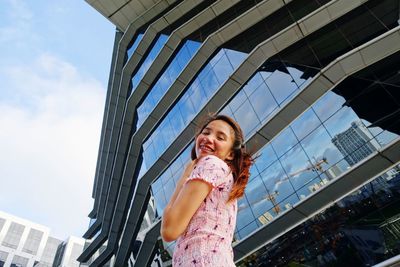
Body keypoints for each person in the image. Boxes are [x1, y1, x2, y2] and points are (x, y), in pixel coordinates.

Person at [161, 114, 254, 266]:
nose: (209, 138)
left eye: (220, 137)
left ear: (230, 154)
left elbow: (169, 230)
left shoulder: (211, 164)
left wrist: (185, 175)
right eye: (206, 132)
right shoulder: (223, 175)